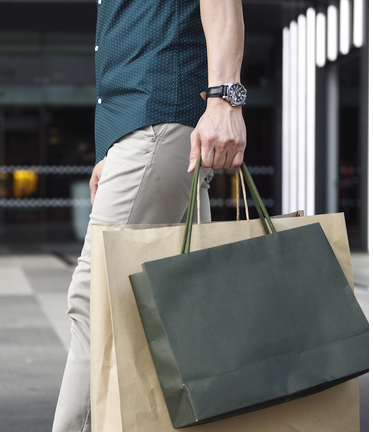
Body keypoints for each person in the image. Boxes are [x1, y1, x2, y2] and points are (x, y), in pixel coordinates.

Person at [52, 1, 247, 431]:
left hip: (158, 118)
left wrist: (224, 100)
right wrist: (112, 147)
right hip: (141, 127)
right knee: (176, 306)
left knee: (94, 300)